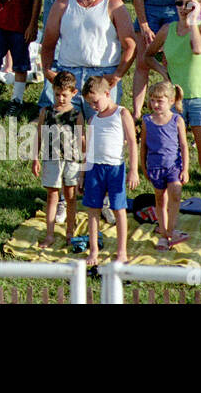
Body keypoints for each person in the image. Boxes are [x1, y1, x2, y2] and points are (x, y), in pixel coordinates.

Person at [143, 0, 201, 238]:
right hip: (173, 104)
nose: (183, 8)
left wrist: (192, 21)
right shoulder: (167, 29)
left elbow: (198, 48)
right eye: (179, 3)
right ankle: (168, 219)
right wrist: (163, 72)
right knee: (169, 159)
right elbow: (147, 55)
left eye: (189, 3)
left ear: (200, 4)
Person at [40, 0, 135, 118]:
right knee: (64, 134)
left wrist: (117, 75)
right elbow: (48, 43)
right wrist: (48, 70)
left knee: (101, 133)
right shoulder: (61, 4)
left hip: (102, 74)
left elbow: (130, 45)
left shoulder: (113, 4)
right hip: (68, 74)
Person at [80, 75, 140, 267]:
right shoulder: (92, 119)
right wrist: (82, 173)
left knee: (119, 209)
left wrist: (133, 170)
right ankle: (94, 250)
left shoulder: (122, 113)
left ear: (107, 93)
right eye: (90, 104)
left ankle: (121, 251)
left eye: (95, 101)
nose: (94, 106)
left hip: (115, 168)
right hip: (94, 168)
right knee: (93, 210)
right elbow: (87, 149)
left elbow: (132, 142)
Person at [31, 72, 84, 249]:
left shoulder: (76, 115)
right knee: (52, 196)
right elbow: (38, 135)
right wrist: (35, 158)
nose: (61, 98)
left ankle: (70, 231)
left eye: (65, 95)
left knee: (70, 197)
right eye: (57, 94)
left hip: (71, 160)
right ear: (53, 91)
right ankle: (50, 234)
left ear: (74, 93)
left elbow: (81, 140)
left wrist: (84, 164)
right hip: (51, 159)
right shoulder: (46, 112)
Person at [140, 80, 190, 251]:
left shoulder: (177, 120)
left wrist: (185, 169)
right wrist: (143, 167)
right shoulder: (147, 120)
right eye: (152, 100)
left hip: (173, 166)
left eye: (159, 100)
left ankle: (171, 229)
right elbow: (143, 146)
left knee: (175, 194)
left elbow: (183, 145)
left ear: (170, 101)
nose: (155, 104)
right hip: (155, 166)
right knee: (160, 199)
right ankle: (163, 234)